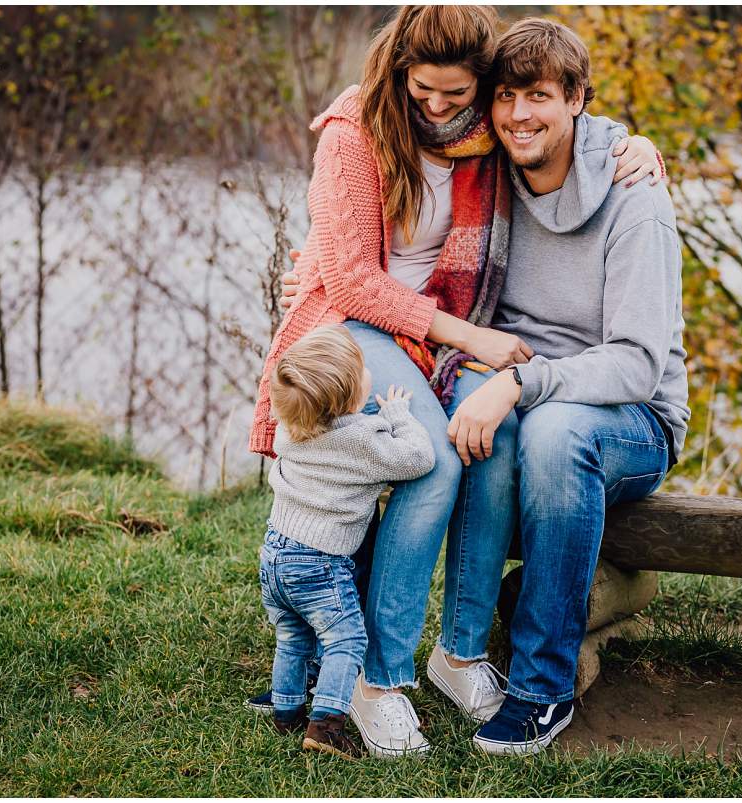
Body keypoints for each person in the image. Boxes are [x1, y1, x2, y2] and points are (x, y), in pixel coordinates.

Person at [248, 6, 665, 758]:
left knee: (496, 428)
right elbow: (348, 274)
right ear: (399, 68)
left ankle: (462, 651)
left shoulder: (490, 141)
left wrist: (639, 146)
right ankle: (378, 678)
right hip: (371, 323)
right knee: (429, 457)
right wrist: (471, 338)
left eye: (458, 93)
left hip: (450, 337)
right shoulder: (361, 131)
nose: (438, 107)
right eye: (423, 90)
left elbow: (575, 125)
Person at [440, 18, 690, 755]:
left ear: (577, 98)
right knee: (488, 422)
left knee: (554, 429)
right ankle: (437, 654)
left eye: (540, 95)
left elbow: (637, 364)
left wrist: (520, 381)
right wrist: (319, 263)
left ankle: (543, 688)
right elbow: (393, 113)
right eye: (507, 95)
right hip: (521, 394)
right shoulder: (490, 174)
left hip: (633, 419)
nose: (520, 114)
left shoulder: (633, 197)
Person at [257, 325, 434, 759]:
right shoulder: (362, 442)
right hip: (319, 563)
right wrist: (396, 416)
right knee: (347, 640)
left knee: (294, 636)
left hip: (275, 554)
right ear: (351, 400)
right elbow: (420, 458)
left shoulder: (288, 430)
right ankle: (327, 724)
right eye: (361, 368)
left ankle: (286, 711)